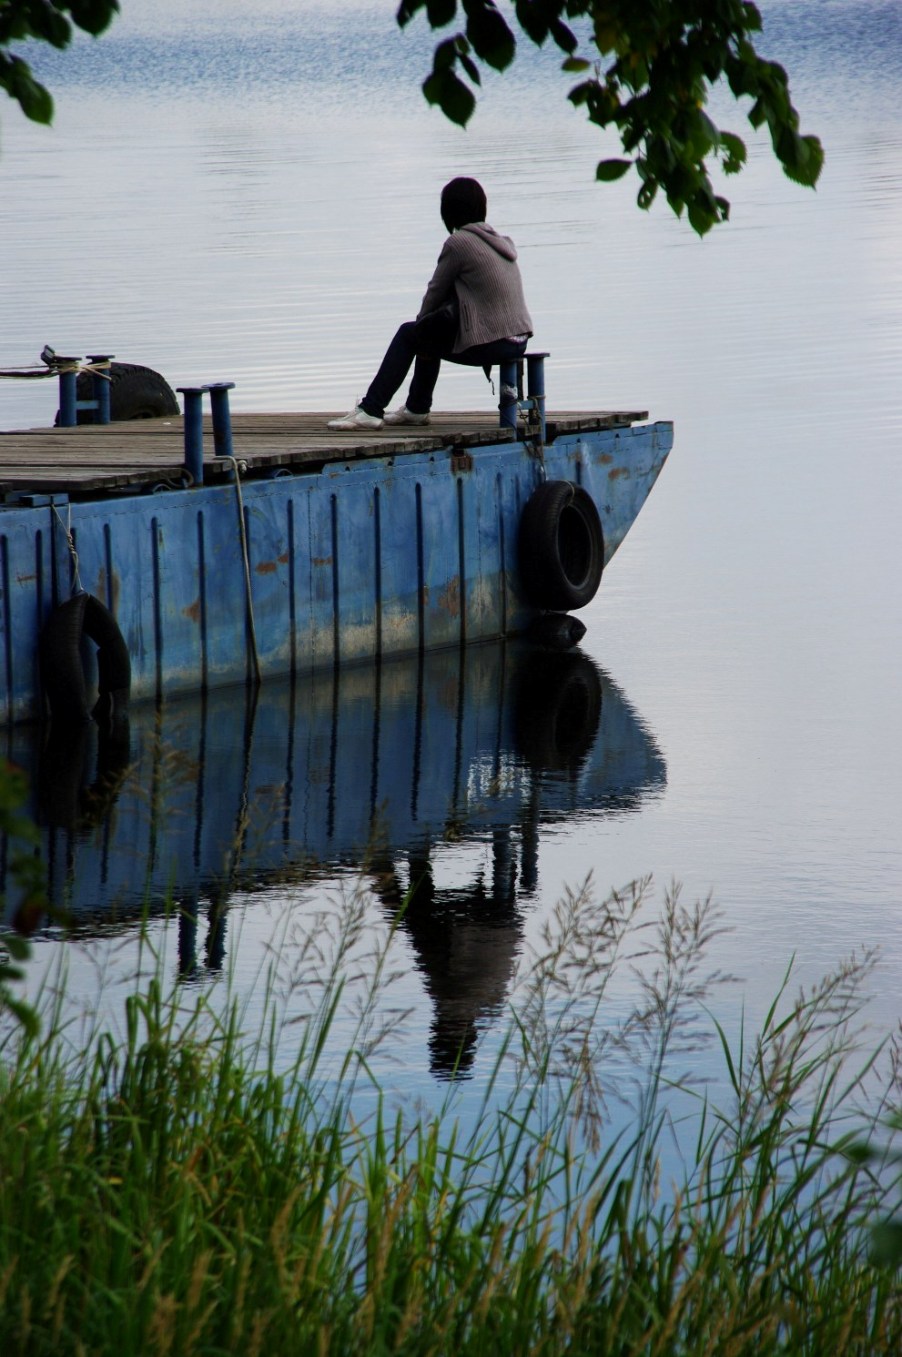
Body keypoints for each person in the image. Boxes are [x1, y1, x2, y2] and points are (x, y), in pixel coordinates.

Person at [328, 177, 533, 430]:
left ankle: (371, 409)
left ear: (449, 211)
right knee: (430, 330)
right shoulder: (502, 242)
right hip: (517, 341)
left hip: (494, 343)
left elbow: (435, 291)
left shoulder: (459, 243)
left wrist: (419, 326)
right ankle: (416, 408)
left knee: (410, 333)